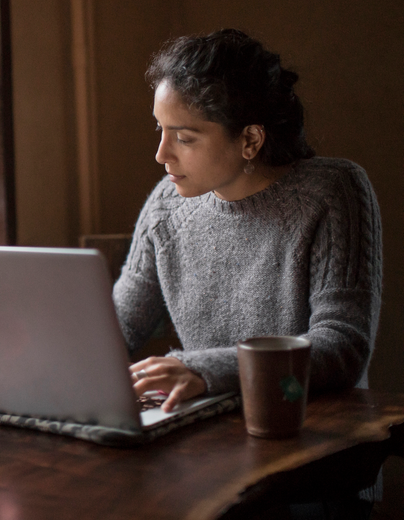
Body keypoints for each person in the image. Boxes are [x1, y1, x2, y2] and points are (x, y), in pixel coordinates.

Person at [114, 28, 382, 518]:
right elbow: (117, 326)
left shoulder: (332, 191)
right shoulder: (165, 207)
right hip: (205, 452)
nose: (161, 155)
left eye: (184, 137)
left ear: (251, 139)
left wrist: (204, 369)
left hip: (310, 458)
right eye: (160, 129)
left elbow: (342, 345)